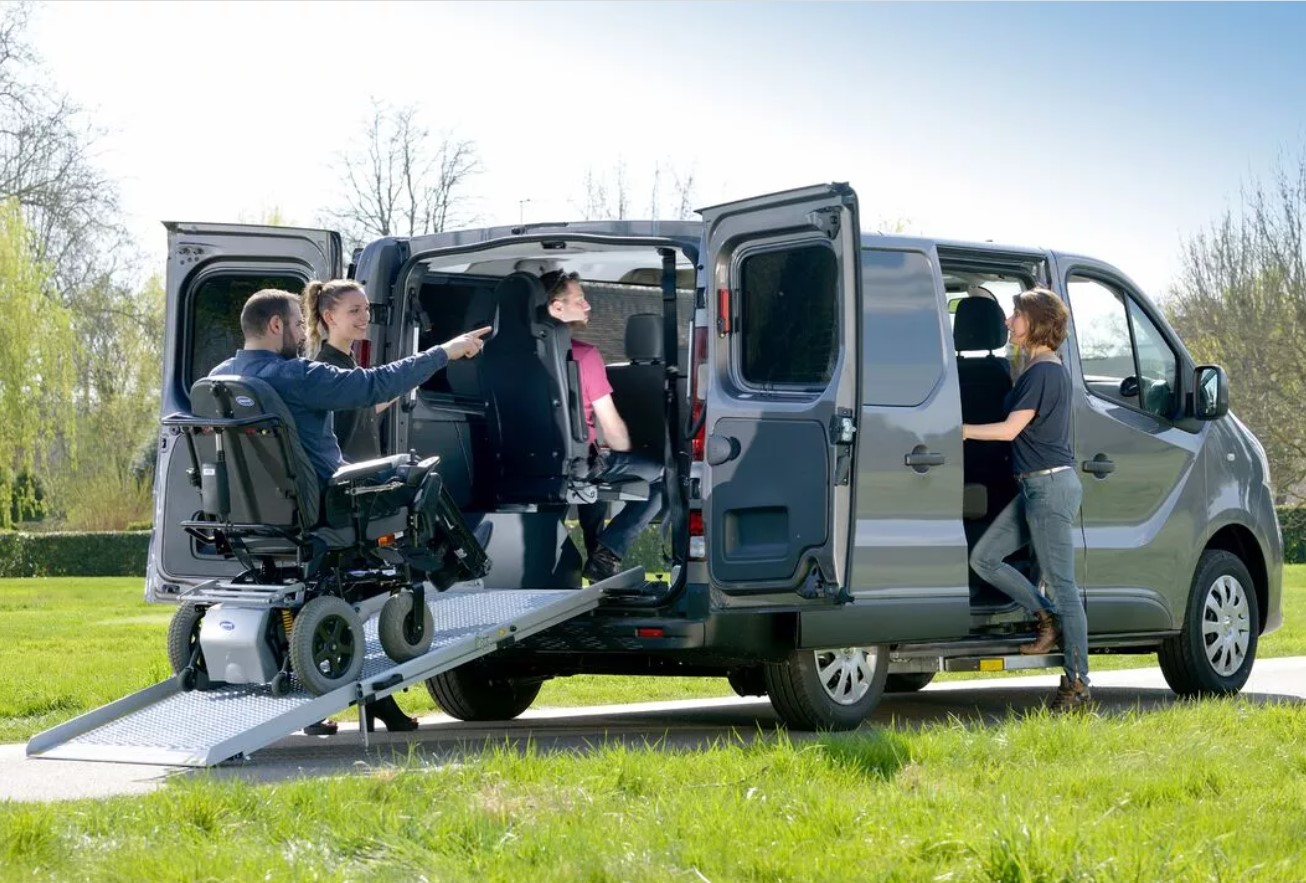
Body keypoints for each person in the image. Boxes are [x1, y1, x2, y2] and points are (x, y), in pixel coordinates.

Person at [210, 287, 488, 734]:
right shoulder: (297, 375)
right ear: (276, 326)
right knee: (419, 475)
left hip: (250, 516)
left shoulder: (219, 380)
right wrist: (444, 352)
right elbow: (375, 385)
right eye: (297, 325)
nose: (303, 333)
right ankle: (459, 566)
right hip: (325, 501)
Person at [963, 288, 1090, 713]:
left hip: (1049, 489)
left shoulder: (1044, 373)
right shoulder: (1034, 367)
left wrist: (960, 430)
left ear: (1035, 321)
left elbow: (1009, 430)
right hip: (1034, 488)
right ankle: (1046, 616)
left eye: (1015, 315)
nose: (1007, 321)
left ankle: (1078, 684)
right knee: (984, 558)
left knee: (1065, 588)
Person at [300, 278, 414, 734]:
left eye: (366, 309)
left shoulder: (345, 364)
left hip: (357, 493)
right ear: (328, 316)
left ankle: (369, 701)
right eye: (354, 311)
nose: (365, 317)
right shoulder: (323, 370)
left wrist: (399, 388)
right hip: (346, 497)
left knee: (356, 602)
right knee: (351, 601)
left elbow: (363, 407)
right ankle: (362, 702)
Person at [539, 270, 666, 583]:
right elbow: (613, 430)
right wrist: (623, 446)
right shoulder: (584, 355)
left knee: (592, 477)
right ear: (556, 307)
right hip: (578, 461)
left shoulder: (514, 355)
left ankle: (598, 561)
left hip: (534, 461)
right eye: (580, 299)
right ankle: (608, 553)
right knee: (666, 475)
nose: (588, 305)